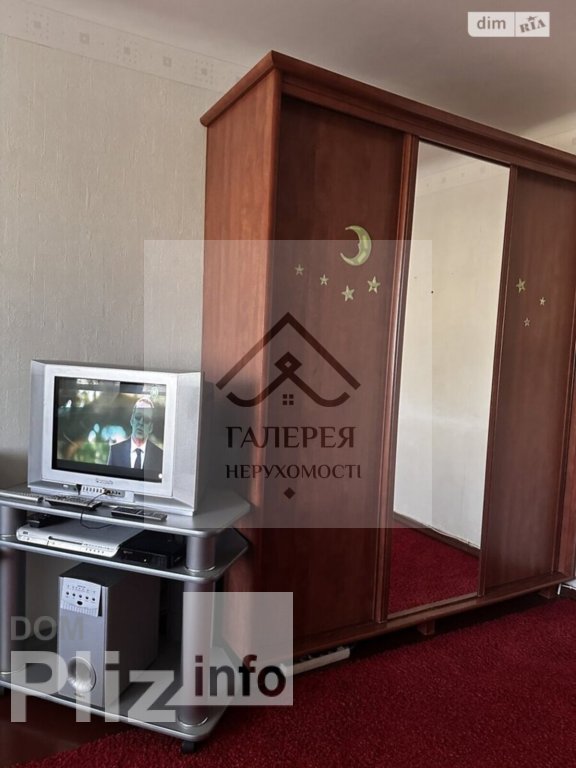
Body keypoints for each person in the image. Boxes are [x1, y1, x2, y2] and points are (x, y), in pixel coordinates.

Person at [107, 397, 163, 474]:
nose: (141, 423)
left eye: (146, 420)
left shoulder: (160, 456)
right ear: (132, 420)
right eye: (138, 417)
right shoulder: (115, 451)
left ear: (150, 427)